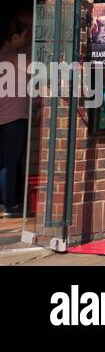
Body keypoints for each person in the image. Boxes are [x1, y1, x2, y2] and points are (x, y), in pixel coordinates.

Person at [0, 15, 33, 218]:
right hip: (14, 117)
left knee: (4, 161)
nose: (26, 39)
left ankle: (6, 202)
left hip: (5, 115)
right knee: (10, 162)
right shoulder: (18, 59)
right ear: (14, 37)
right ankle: (9, 205)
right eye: (24, 36)